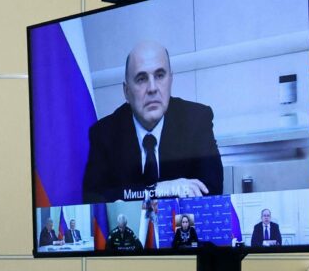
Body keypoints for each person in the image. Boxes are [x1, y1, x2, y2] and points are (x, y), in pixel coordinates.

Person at [82, 42, 223, 203]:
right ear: (127, 91)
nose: (152, 88)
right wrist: (157, 190)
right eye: (141, 79)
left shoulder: (196, 120)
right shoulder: (104, 133)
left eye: (160, 75)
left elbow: (212, 189)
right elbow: (93, 198)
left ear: (170, 80)